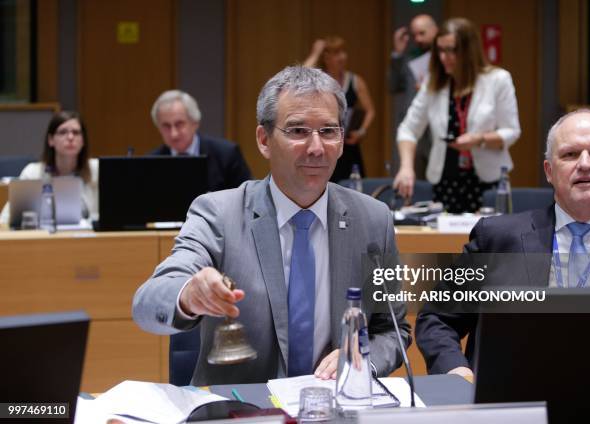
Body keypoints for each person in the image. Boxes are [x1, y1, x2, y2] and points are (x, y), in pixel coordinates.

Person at [132, 66, 409, 385]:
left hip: (334, 408)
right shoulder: (219, 214)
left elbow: (393, 331)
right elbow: (147, 302)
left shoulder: (374, 220)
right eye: (298, 131)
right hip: (244, 411)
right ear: (264, 140)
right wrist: (187, 295)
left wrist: (363, 356)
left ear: (343, 140)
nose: (317, 148)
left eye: (328, 131)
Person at [416, 109, 590, 379]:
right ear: (549, 171)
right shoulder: (496, 239)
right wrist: (455, 370)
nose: (586, 164)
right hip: (513, 402)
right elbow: (437, 318)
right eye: (570, 154)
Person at [394, 18, 521, 213]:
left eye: (452, 50)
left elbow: (511, 132)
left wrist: (479, 139)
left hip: (486, 183)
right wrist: (406, 167)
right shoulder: (433, 84)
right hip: (445, 181)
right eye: (441, 50)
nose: (444, 57)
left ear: (469, 51)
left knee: (487, 240)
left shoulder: (498, 80)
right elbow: (408, 130)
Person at [0, 111, 98, 224]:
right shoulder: (33, 172)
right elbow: (5, 218)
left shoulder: (97, 170)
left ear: (83, 140)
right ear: (51, 140)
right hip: (43, 238)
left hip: (86, 239)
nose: (70, 137)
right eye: (63, 132)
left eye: (76, 133)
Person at [303, 36, 375, 182]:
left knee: (354, 188)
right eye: (336, 53)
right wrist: (315, 53)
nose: (342, 57)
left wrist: (362, 131)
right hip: (325, 143)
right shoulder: (319, 79)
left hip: (348, 145)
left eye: (343, 52)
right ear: (326, 58)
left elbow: (370, 111)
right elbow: (299, 78)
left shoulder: (355, 80)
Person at [150, 90, 252, 191]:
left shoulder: (226, 155)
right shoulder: (151, 162)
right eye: (166, 126)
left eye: (179, 124)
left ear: (195, 123)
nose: (174, 134)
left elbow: (247, 197)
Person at [389, 14, 438, 179]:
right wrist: (397, 53)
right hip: (414, 126)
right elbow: (393, 86)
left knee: (436, 175)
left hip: (437, 126)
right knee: (412, 177)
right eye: (414, 34)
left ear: (435, 31)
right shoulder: (409, 58)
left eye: (422, 33)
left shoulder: (446, 59)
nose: (418, 39)